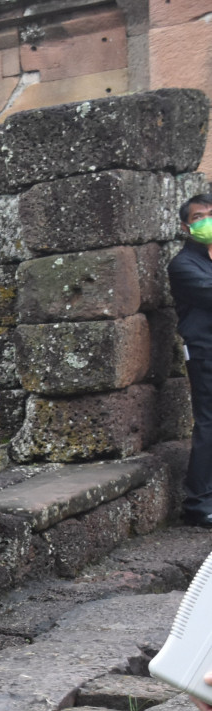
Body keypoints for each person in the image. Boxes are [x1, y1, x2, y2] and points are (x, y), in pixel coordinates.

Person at [168, 195, 212, 529]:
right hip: (205, 352)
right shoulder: (184, 264)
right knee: (209, 426)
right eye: (199, 216)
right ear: (186, 226)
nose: (206, 221)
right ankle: (198, 504)